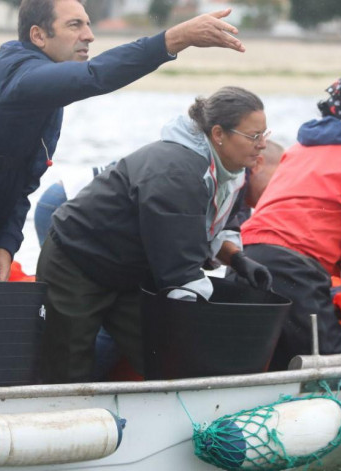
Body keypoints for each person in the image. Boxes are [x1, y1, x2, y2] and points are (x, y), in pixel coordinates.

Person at [0, 0, 246, 287]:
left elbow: (22, 182)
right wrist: (175, 39)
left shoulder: (48, 101)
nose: (89, 35)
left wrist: (6, 243)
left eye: (88, 24)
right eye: (75, 25)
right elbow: (94, 77)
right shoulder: (17, 73)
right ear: (38, 36)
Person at [38, 86, 273, 384]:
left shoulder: (233, 171)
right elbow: (179, 270)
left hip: (129, 268)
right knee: (68, 365)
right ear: (218, 134)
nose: (262, 144)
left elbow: (216, 226)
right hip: (77, 261)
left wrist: (238, 259)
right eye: (254, 136)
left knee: (161, 351)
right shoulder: (177, 171)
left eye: (265, 134)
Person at [238, 70, 341, 370]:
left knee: (261, 364)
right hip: (293, 274)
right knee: (340, 364)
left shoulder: (299, 150)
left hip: (243, 261)